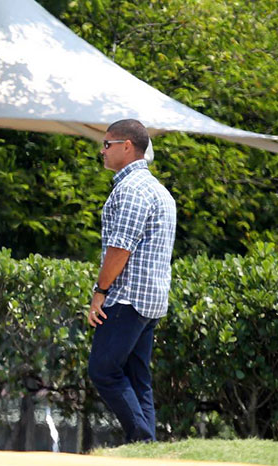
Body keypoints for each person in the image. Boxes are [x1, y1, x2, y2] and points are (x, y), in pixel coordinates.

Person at [87, 119, 176, 443]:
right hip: (151, 301)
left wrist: (100, 292)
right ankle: (147, 450)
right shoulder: (159, 190)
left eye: (107, 144)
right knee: (139, 379)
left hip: (127, 298)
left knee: (103, 370)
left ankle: (142, 440)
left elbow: (120, 249)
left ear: (127, 146)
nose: (102, 150)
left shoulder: (131, 189)